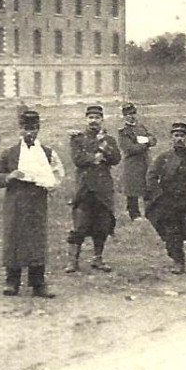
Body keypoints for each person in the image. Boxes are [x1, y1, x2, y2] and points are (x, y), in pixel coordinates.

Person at [0, 109, 63, 298]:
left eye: (33, 128)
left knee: (36, 239)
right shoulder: (10, 154)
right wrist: (8, 176)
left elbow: (57, 174)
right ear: (20, 129)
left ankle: (38, 283)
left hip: (37, 202)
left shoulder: (47, 153)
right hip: (15, 202)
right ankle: (12, 280)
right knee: (14, 238)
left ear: (38, 129)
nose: (29, 133)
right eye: (25, 128)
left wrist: (50, 184)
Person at [145, 121, 186, 279]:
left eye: (182, 135)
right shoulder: (164, 158)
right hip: (169, 202)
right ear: (171, 138)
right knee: (172, 233)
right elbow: (151, 176)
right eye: (176, 136)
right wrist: (160, 196)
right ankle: (178, 261)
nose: (179, 139)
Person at [66, 104, 122, 274]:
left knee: (103, 224)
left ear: (102, 120)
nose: (94, 121)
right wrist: (96, 156)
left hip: (103, 188)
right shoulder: (78, 139)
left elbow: (116, 158)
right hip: (85, 187)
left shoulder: (109, 139)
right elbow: (78, 159)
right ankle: (73, 261)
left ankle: (98, 258)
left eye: (97, 118)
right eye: (91, 118)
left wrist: (105, 148)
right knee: (80, 225)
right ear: (86, 119)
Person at [117, 103, 154, 222]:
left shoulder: (141, 127)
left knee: (148, 187)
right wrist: (146, 144)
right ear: (124, 116)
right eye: (127, 114)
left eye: (132, 113)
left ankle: (149, 212)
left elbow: (153, 139)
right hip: (132, 164)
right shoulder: (123, 132)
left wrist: (146, 142)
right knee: (132, 190)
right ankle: (134, 214)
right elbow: (129, 148)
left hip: (145, 162)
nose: (131, 116)